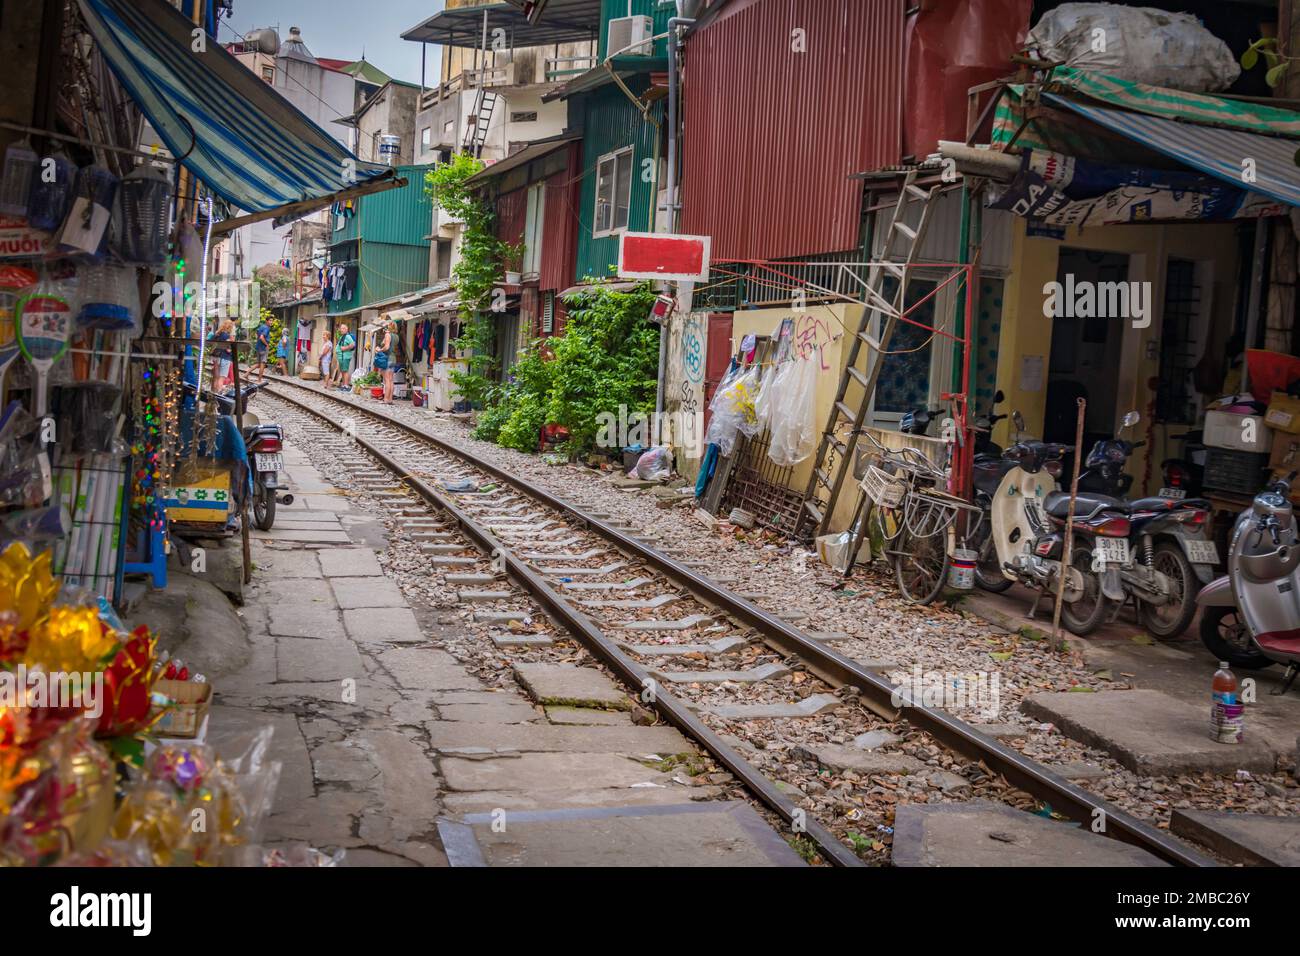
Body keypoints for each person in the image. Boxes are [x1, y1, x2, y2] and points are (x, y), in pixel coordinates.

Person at [210, 318, 236, 392]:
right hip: (224, 357)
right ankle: (218, 396)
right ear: (230, 327)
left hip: (215, 357)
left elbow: (211, 342)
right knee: (221, 378)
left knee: (216, 378)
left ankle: (213, 395)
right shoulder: (227, 336)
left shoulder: (217, 334)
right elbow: (228, 349)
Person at [377, 320, 395, 405]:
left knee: (387, 380)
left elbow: (387, 347)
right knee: (391, 380)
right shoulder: (396, 336)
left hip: (387, 358)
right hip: (393, 358)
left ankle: (386, 399)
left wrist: (380, 350)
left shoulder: (388, 335)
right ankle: (390, 399)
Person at [335, 322, 355, 389]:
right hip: (341, 357)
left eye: (343, 328)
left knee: (345, 371)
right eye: (341, 328)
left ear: (347, 329)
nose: (342, 330)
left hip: (345, 356)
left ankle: (346, 385)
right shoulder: (342, 336)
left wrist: (345, 348)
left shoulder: (348, 336)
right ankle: (343, 384)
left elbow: (353, 344)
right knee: (343, 371)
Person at [254, 317, 270, 382]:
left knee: (258, 364)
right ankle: (259, 380)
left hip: (258, 347)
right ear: (266, 321)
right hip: (263, 348)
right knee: (262, 364)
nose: (271, 322)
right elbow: (261, 337)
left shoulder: (261, 327)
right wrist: (267, 344)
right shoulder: (266, 328)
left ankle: (246, 374)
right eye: (270, 321)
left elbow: (257, 334)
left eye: (272, 321)